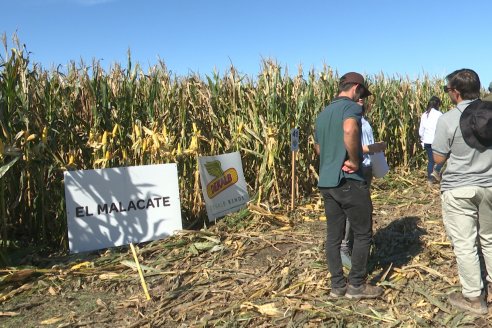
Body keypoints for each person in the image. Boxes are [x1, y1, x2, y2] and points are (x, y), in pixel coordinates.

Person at [314, 72, 383, 300]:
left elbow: (318, 149)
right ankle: (356, 286)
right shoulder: (350, 108)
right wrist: (353, 161)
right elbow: (350, 130)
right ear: (355, 88)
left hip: (327, 182)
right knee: (363, 234)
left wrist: (332, 161)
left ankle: (337, 287)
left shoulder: (323, 114)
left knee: (333, 237)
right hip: (349, 182)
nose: (361, 97)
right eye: (362, 92)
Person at [432, 68, 492, 315]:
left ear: (456, 92)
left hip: (459, 189)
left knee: (466, 244)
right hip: (491, 186)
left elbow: (437, 156)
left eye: (448, 90)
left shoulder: (447, 119)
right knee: (490, 239)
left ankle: (474, 299)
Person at [340, 98, 386, 269]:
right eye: (357, 97)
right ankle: (345, 246)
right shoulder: (349, 120)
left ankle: (357, 242)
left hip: (366, 167)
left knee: (364, 207)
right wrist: (371, 148)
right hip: (356, 168)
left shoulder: (363, 119)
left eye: (362, 98)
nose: (361, 99)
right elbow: (349, 146)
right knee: (354, 209)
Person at [419, 96, 443, 184]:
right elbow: (442, 128)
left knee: (431, 161)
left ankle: (430, 180)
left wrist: (423, 139)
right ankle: (436, 173)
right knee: (442, 159)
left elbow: (421, 130)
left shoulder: (424, 114)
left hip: (427, 141)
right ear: (437, 104)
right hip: (436, 141)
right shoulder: (439, 114)